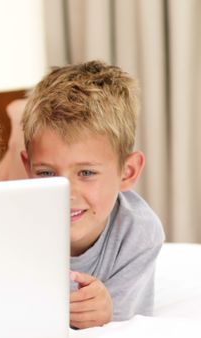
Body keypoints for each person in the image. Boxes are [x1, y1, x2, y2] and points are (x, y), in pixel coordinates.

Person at [19, 60, 165, 329]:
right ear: (28, 168)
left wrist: (107, 313)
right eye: (46, 173)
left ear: (128, 172)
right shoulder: (16, 226)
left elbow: (128, 326)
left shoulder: (139, 232)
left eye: (86, 173)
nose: (66, 193)